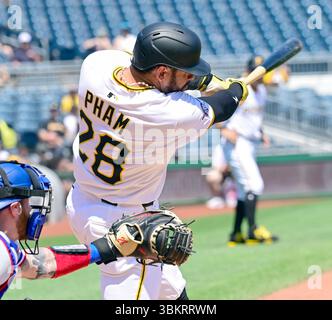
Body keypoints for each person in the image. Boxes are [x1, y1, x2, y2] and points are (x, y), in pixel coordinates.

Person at [67, 21, 248, 300]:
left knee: (171, 291)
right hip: (127, 225)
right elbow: (221, 108)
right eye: (184, 74)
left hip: (83, 200)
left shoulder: (96, 64)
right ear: (161, 71)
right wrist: (236, 90)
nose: (189, 79)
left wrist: (201, 80)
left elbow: (147, 73)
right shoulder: (166, 114)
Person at [0, 160, 185, 299]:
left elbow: (38, 264)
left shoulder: (6, 250)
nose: (34, 211)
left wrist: (108, 247)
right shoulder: (2, 253)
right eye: (29, 204)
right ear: (15, 208)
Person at [220, 56, 278, 247]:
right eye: (255, 70)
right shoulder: (241, 89)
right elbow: (216, 106)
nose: (259, 75)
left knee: (245, 191)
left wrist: (262, 132)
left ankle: (236, 233)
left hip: (251, 142)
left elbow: (255, 118)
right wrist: (223, 128)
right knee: (255, 184)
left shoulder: (261, 90)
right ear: (248, 71)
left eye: (261, 71)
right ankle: (253, 230)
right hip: (237, 143)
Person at [205, 144, 236, 209]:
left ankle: (235, 195)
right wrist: (225, 167)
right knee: (212, 175)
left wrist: (230, 167)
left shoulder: (239, 146)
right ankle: (218, 197)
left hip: (235, 173)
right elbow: (216, 166)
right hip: (223, 173)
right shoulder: (219, 148)